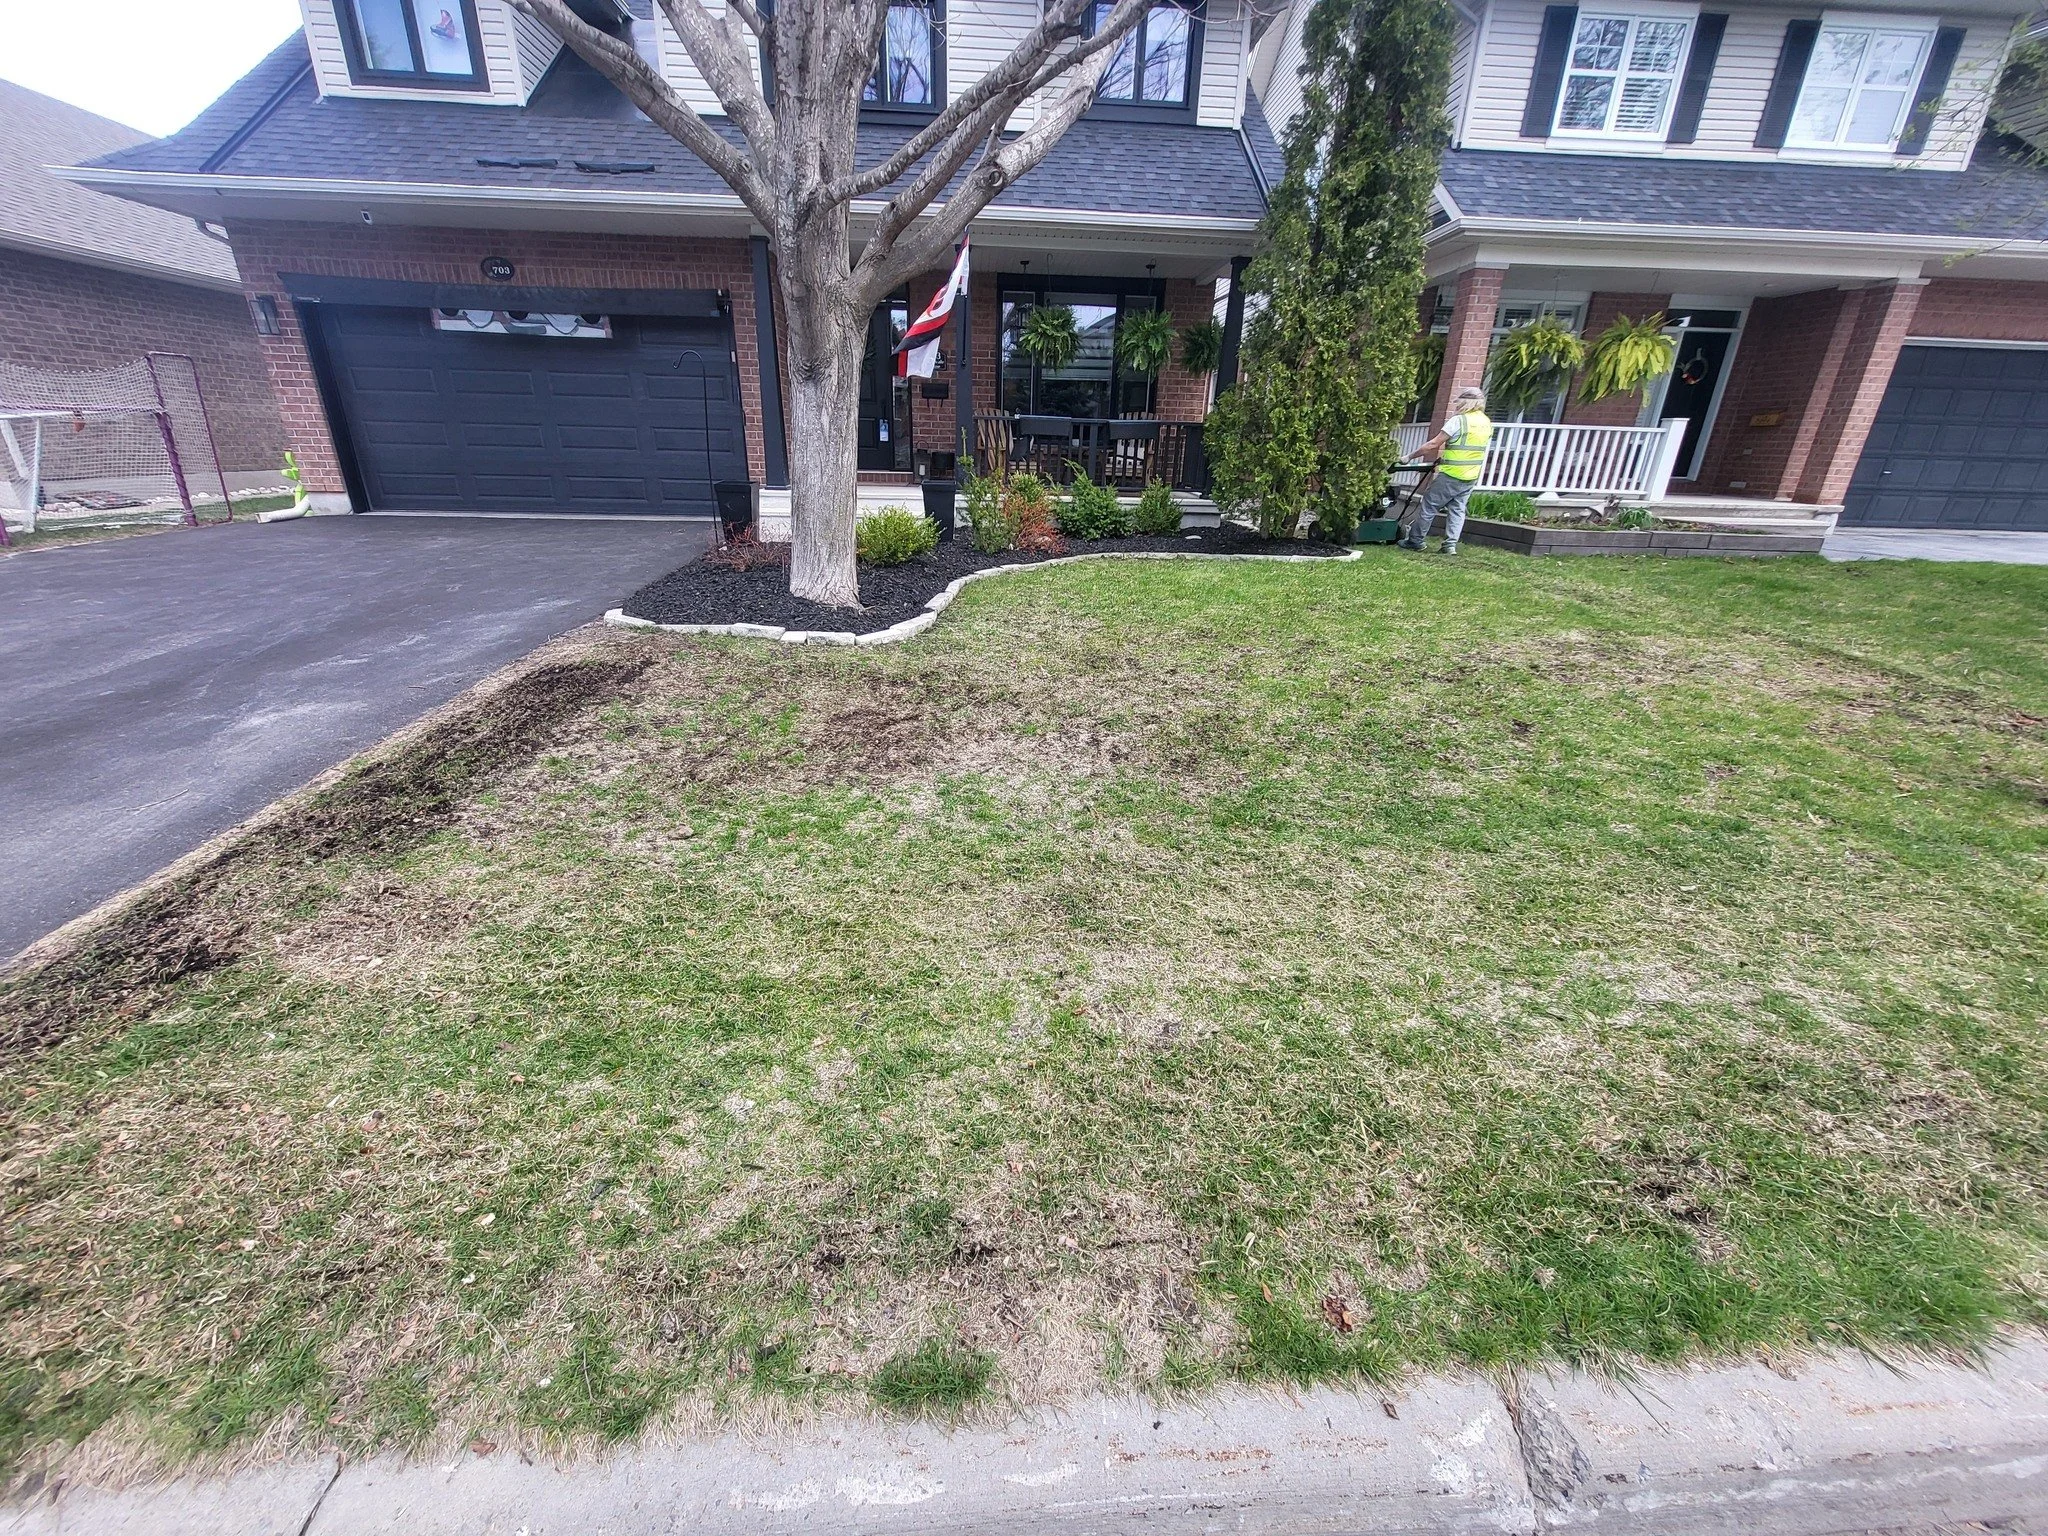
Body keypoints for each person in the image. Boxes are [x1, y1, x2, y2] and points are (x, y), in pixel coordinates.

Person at [1401, 386, 1492, 555]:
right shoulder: (1486, 422)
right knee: (1457, 509)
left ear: (1465, 402)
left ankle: (1415, 541)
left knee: (1429, 505)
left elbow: (1433, 444)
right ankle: (1450, 545)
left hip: (1452, 473)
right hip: (1471, 475)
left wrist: (1409, 457)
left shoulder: (1459, 421)